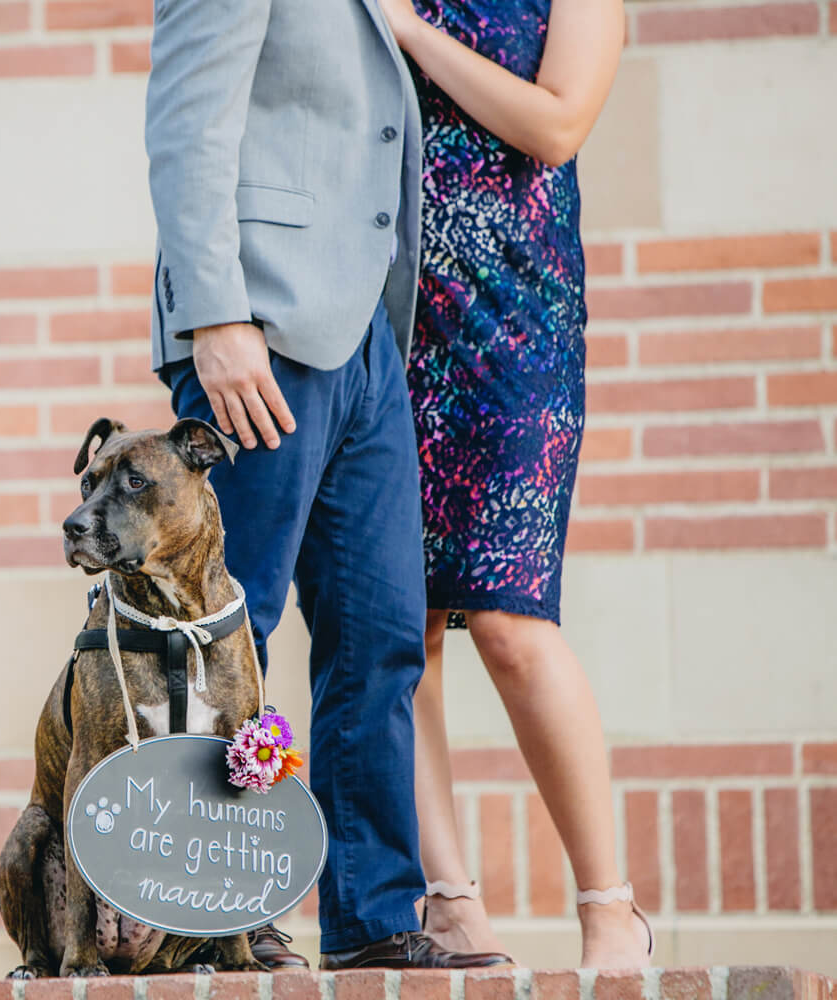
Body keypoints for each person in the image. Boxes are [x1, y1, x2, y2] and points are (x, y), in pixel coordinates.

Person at [144, 0, 507, 971]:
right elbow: (187, 123)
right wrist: (215, 315)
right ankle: (216, 911)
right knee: (231, 632)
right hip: (259, 330)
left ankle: (373, 915)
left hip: (367, 341)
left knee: (382, 635)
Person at [373, 0, 654, 969]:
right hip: (396, 325)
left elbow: (558, 123)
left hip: (517, 326)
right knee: (400, 625)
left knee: (510, 623)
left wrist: (414, 34)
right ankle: (450, 901)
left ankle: (610, 906)